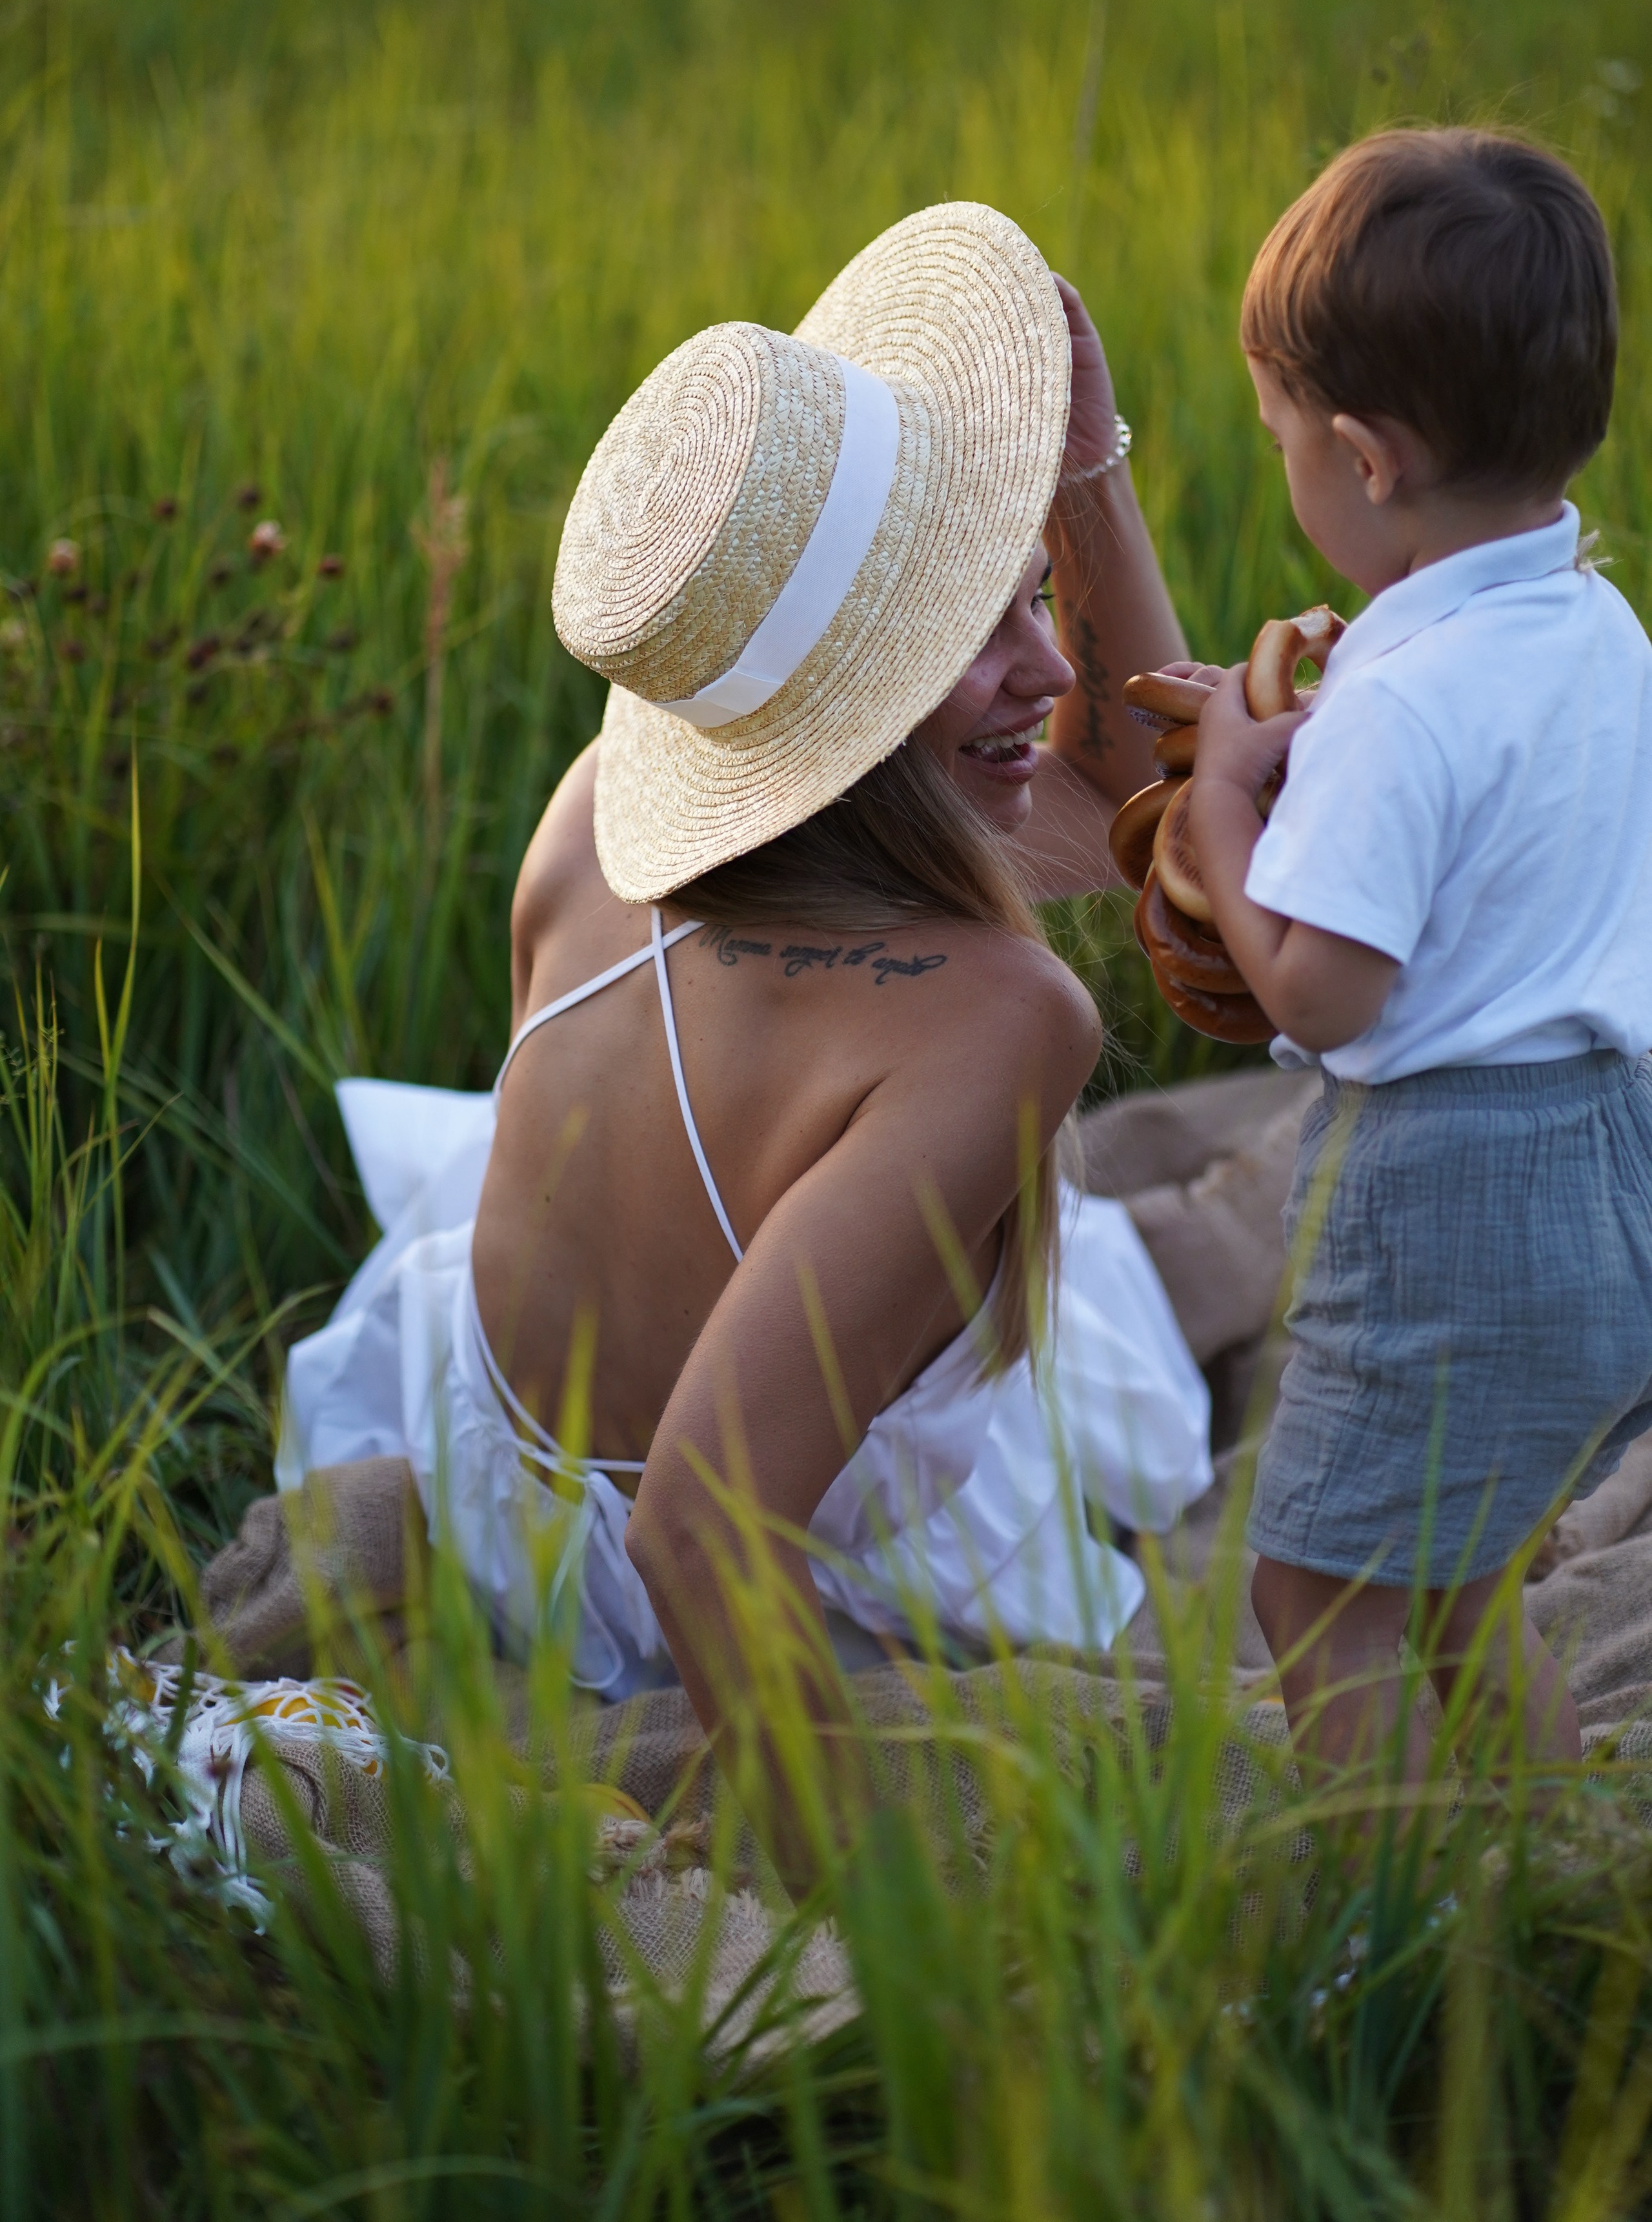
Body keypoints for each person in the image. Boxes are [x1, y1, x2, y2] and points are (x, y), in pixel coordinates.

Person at [280, 201, 1271, 1877]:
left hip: (504, 1492)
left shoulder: (606, 807)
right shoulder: (1003, 1015)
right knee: (1079, 1351)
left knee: (998, 1248)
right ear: (854, 719)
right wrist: (855, 1945)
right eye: (981, 636)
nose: (1044, 668)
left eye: (1035, 600)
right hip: (715, 1549)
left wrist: (1075, 463)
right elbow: (708, 1526)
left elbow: (1108, 785)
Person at [1180, 129, 1652, 1789]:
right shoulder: (1600, 631)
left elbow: (1322, 990)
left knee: (1315, 1594)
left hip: (1448, 1189)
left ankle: (1377, 1945)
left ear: (1365, 457)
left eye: (1280, 440)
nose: (1286, 470)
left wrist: (1233, 817)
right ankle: (1548, 1854)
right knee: (1456, 1591)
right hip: (1608, 1169)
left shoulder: (1394, 696)